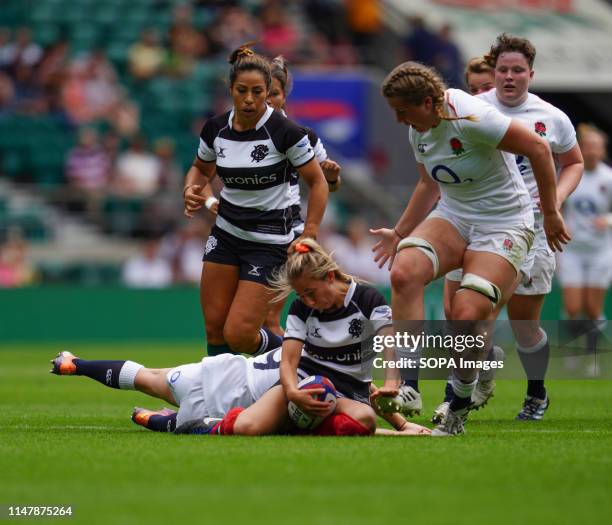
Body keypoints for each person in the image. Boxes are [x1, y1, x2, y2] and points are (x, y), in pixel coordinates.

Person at [371, 60, 569, 436]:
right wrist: (399, 233)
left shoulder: (472, 115)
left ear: (429, 102)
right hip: (455, 215)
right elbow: (429, 184)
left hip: (505, 220)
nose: (399, 120)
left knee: (466, 313)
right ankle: (409, 385)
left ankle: (460, 400)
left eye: (403, 111)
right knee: (403, 270)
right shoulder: (420, 128)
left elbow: (541, 150)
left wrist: (553, 212)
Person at [439, 35, 583, 423]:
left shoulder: (551, 116)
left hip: (532, 228)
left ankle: (536, 391)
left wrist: (554, 203)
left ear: (530, 75)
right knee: (464, 314)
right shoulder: (473, 110)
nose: (508, 76)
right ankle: (461, 392)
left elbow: (573, 162)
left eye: (517, 70)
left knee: (524, 327)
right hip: (477, 221)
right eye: (502, 69)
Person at [182, 44, 329, 356]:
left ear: (269, 93)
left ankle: (306, 360)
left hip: (270, 243)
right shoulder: (216, 128)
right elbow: (200, 169)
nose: (249, 99)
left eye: (258, 92)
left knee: (241, 334)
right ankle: (218, 401)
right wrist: (191, 190)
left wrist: (310, 233)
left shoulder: (285, 132)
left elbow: (318, 182)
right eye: (242, 91)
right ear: (231, 89)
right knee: (215, 328)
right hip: (225, 235)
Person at [199, 238, 430, 437]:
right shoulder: (301, 308)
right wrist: (292, 393)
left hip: (345, 394)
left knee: (365, 419)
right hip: (302, 383)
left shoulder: (368, 299)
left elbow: (390, 343)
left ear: (329, 277)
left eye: (311, 293)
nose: (308, 301)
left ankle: (295, 425)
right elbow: (289, 361)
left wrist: (392, 386)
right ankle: (205, 425)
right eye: (301, 295)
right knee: (247, 428)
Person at [558, 124, 612, 362]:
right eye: (587, 146)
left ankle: (591, 354)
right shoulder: (570, 173)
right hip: (572, 250)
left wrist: (608, 220)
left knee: (592, 307)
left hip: (600, 250)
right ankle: (573, 352)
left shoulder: (608, 178)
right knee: (572, 307)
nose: (591, 151)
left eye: (596, 147)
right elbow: (556, 203)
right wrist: (559, 221)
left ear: (602, 150)